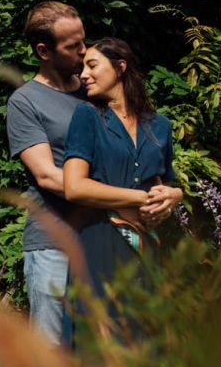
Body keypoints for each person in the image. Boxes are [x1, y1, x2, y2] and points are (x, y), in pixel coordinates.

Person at [62, 37, 183, 348]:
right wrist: (141, 199)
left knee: (145, 341)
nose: (83, 75)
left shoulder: (161, 126)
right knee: (103, 347)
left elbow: (164, 183)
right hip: (99, 241)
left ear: (120, 67)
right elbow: (74, 187)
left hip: (147, 247)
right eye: (82, 68)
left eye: (92, 65)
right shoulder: (87, 117)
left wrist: (174, 197)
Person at [6, 1, 88, 347]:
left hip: (99, 237)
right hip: (52, 243)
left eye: (84, 41)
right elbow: (47, 177)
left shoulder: (94, 91)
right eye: (73, 46)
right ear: (44, 51)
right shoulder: (25, 102)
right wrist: (119, 197)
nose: (84, 51)